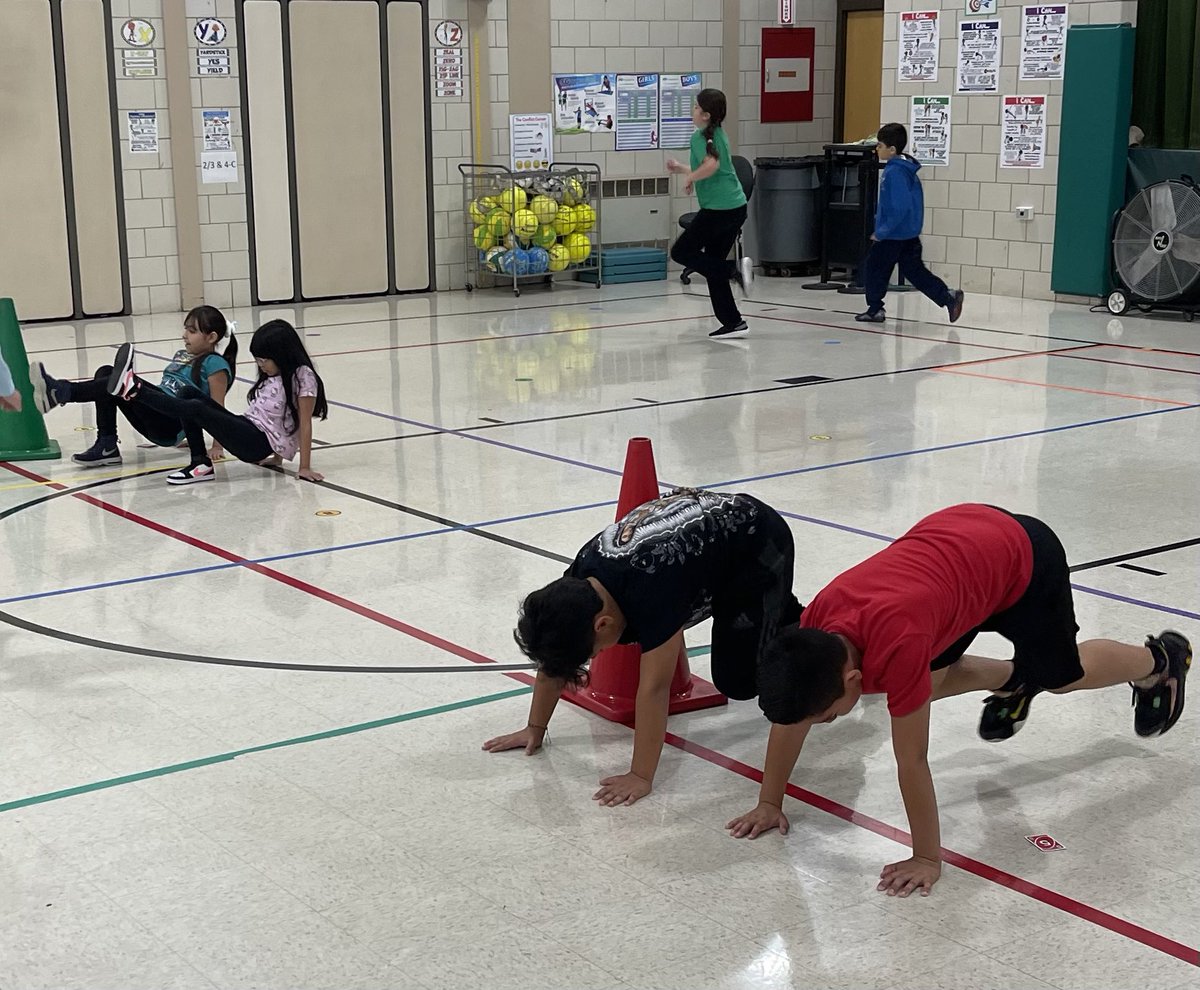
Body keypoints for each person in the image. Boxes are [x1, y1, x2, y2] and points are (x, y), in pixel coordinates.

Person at [727, 503, 1191, 897]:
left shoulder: (899, 644)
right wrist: (770, 802)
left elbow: (912, 762)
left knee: (1060, 679)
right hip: (955, 558)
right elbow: (791, 719)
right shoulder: (816, 631)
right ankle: (1013, 682)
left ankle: (1160, 662)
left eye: (827, 717)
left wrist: (927, 858)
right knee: (926, 685)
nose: (823, 724)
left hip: (1020, 556)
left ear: (852, 678)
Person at [483, 488, 803, 805]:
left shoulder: (653, 591)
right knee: (731, 641)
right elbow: (555, 654)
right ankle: (775, 613)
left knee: (740, 680)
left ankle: (809, 625)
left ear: (602, 624)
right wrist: (535, 728)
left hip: (757, 542)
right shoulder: (581, 576)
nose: (596, 657)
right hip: (705, 555)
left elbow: (654, 688)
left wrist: (640, 775)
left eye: (592, 653)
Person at [108, 318, 327, 485]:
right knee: (187, 394)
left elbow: (303, 423)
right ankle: (200, 463)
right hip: (248, 429)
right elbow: (279, 419)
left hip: (255, 442)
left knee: (195, 409)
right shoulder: (277, 375)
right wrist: (277, 459)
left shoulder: (302, 376)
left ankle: (135, 390)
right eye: (257, 360)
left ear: (283, 355)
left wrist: (304, 467)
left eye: (264, 360)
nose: (261, 365)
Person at [30, 306, 236, 465]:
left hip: (169, 421)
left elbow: (217, 410)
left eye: (192, 331)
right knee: (106, 373)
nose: (184, 335)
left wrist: (217, 446)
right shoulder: (182, 355)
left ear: (211, 337)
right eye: (186, 330)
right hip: (155, 411)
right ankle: (107, 445)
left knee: (125, 382)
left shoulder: (216, 365)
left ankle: (62, 392)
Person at [857, 122, 964, 325]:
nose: (876, 149)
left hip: (893, 235)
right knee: (914, 271)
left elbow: (899, 207)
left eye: (879, 145)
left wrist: (882, 231)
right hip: (909, 233)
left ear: (892, 149)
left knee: (875, 268)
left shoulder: (894, 172)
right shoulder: (906, 169)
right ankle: (947, 296)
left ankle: (874, 309)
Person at [666, 88, 752, 338]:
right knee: (712, 263)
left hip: (720, 210)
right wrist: (683, 169)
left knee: (680, 251)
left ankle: (733, 270)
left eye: (695, 107)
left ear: (705, 114)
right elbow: (711, 164)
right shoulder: (716, 134)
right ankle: (733, 322)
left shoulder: (702, 136)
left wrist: (690, 176)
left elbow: (712, 165)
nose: (692, 111)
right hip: (734, 208)